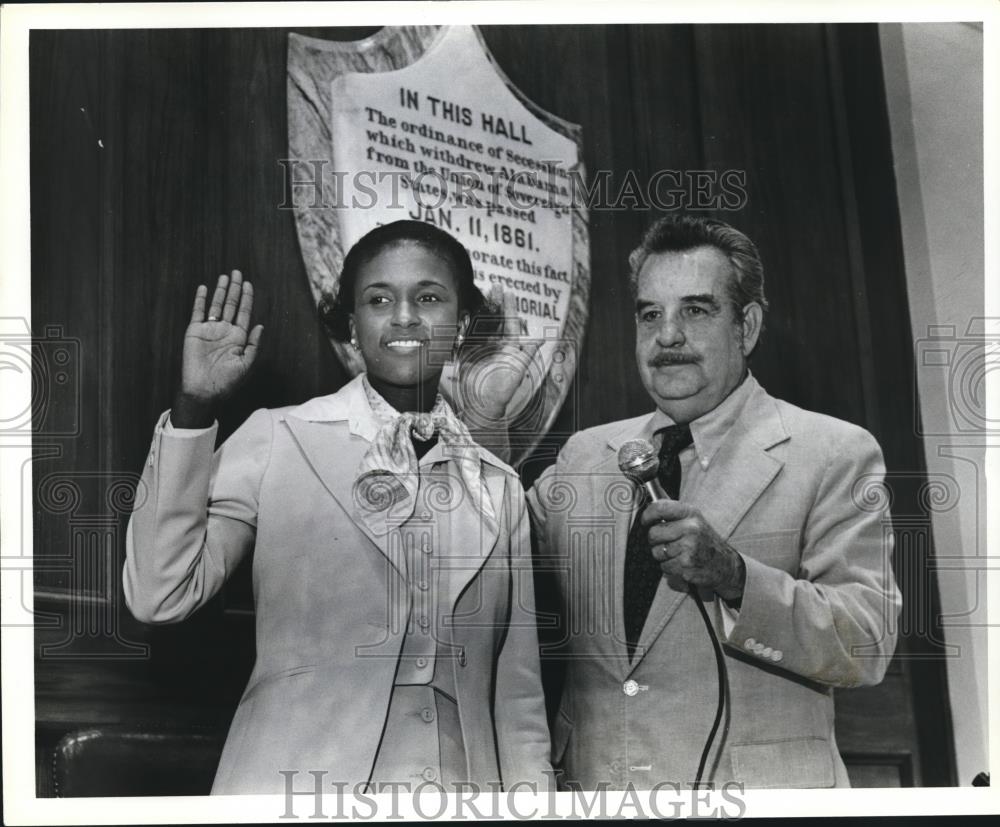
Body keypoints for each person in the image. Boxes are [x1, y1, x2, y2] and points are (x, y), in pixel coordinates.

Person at [124, 220, 551, 795]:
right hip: (294, 788)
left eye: (428, 297)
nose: (404, 317)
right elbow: (160, 593)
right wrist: (194, 408)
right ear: (352, 324)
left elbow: (518, 697)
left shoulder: (498, 488)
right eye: (378, 299)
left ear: (464, 322)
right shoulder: (281, 437)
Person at [526, 214, 902, 789]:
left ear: (746, 327)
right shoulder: (585, 456)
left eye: (695, 311)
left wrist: (734, 577)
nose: (667, 335)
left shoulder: (833, 452)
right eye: (650, 314)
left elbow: (865, 642)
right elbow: (489, 541)